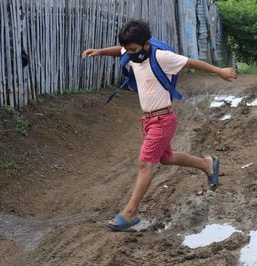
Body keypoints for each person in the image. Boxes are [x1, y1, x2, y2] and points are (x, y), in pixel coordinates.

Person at [82, 20, 237, 231]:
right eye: (128, 50)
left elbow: (191, 63)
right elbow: (119, 51)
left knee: (145, 163)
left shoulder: (161, 57)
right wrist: (100, 52)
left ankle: (130, 213)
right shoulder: (132, 53)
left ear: (146, 45)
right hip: (149, 120)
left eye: (134, 50)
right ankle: (206, 164)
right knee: (166, 158)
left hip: (163, 120)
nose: (130, 54)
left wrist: (219, 71)